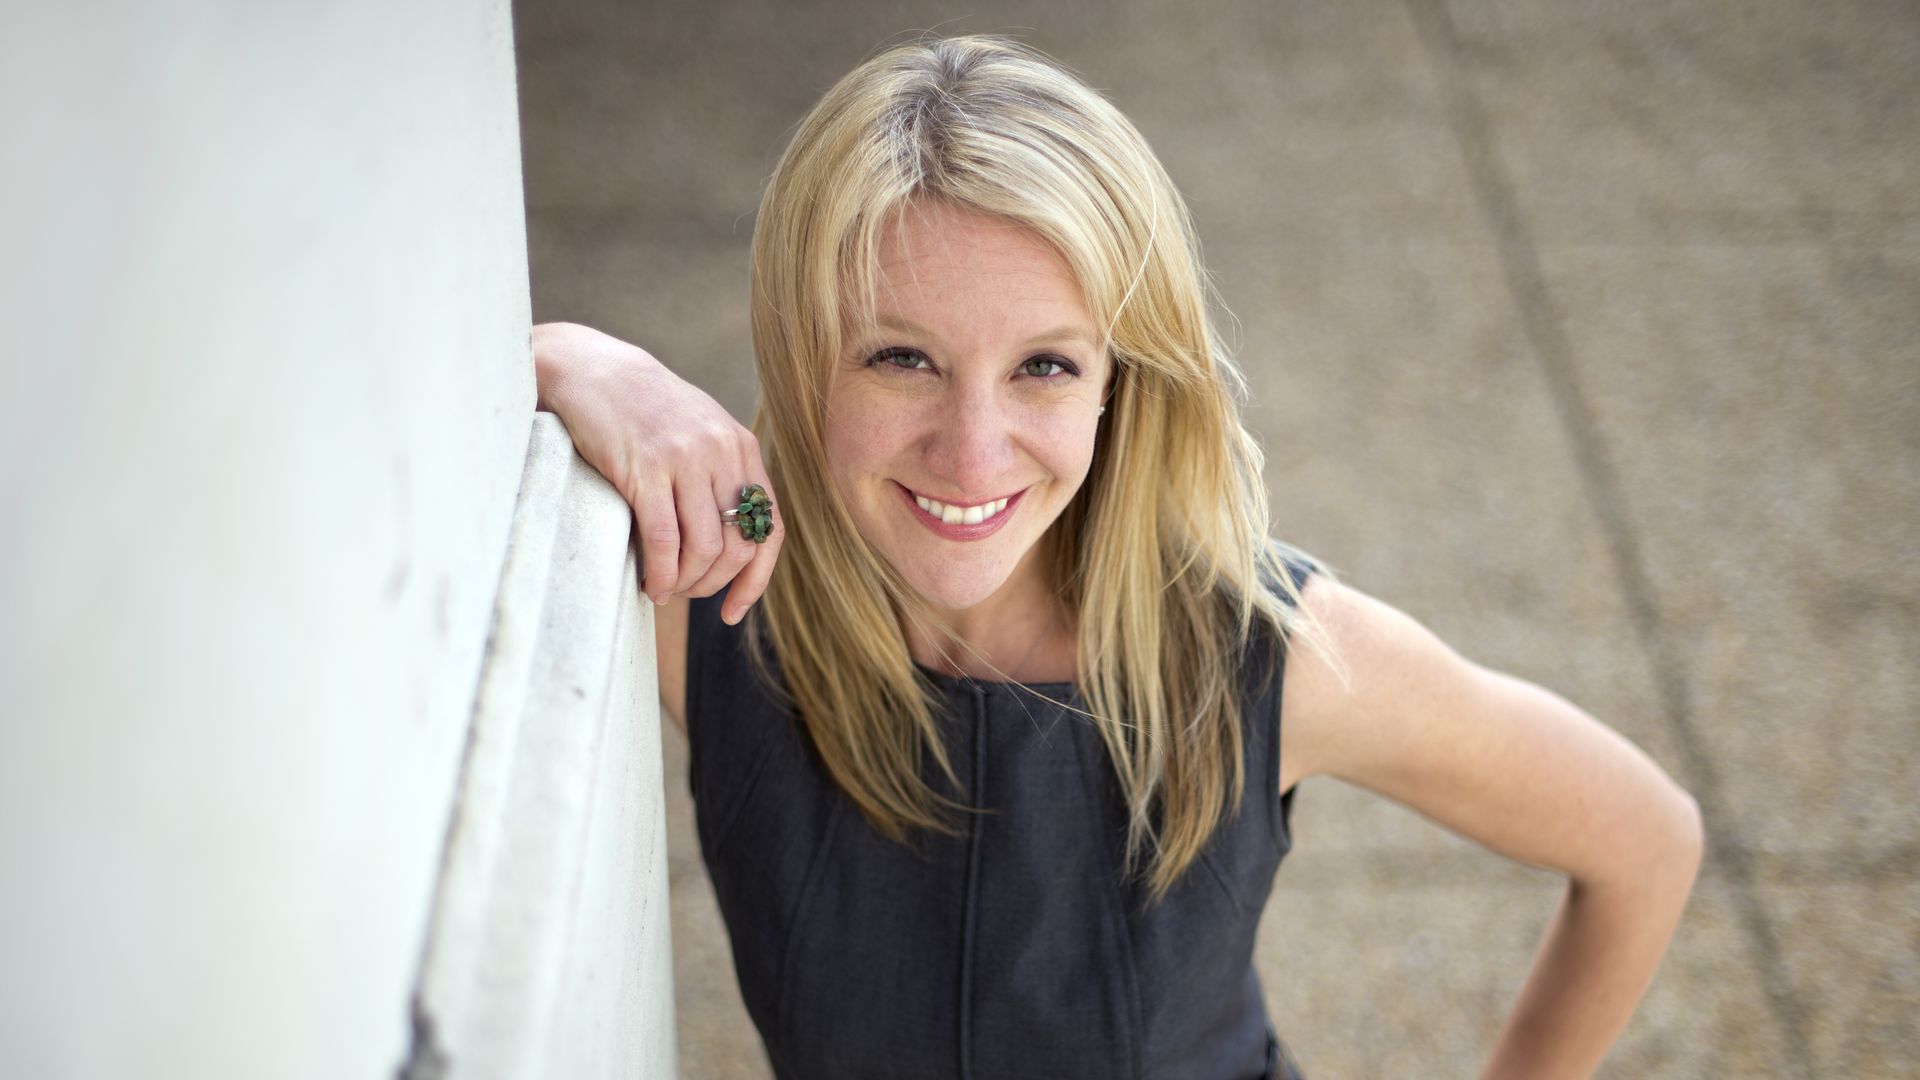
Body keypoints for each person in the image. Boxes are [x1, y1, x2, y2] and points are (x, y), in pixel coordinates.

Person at [531, 35, 1702, 1080]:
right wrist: (580, 361)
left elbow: (1644, 841)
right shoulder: (719, 600)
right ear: (801, 358)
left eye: (1044, 366)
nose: (972, 452)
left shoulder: (1268, 655)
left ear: (1118, 384)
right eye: (901, 357)